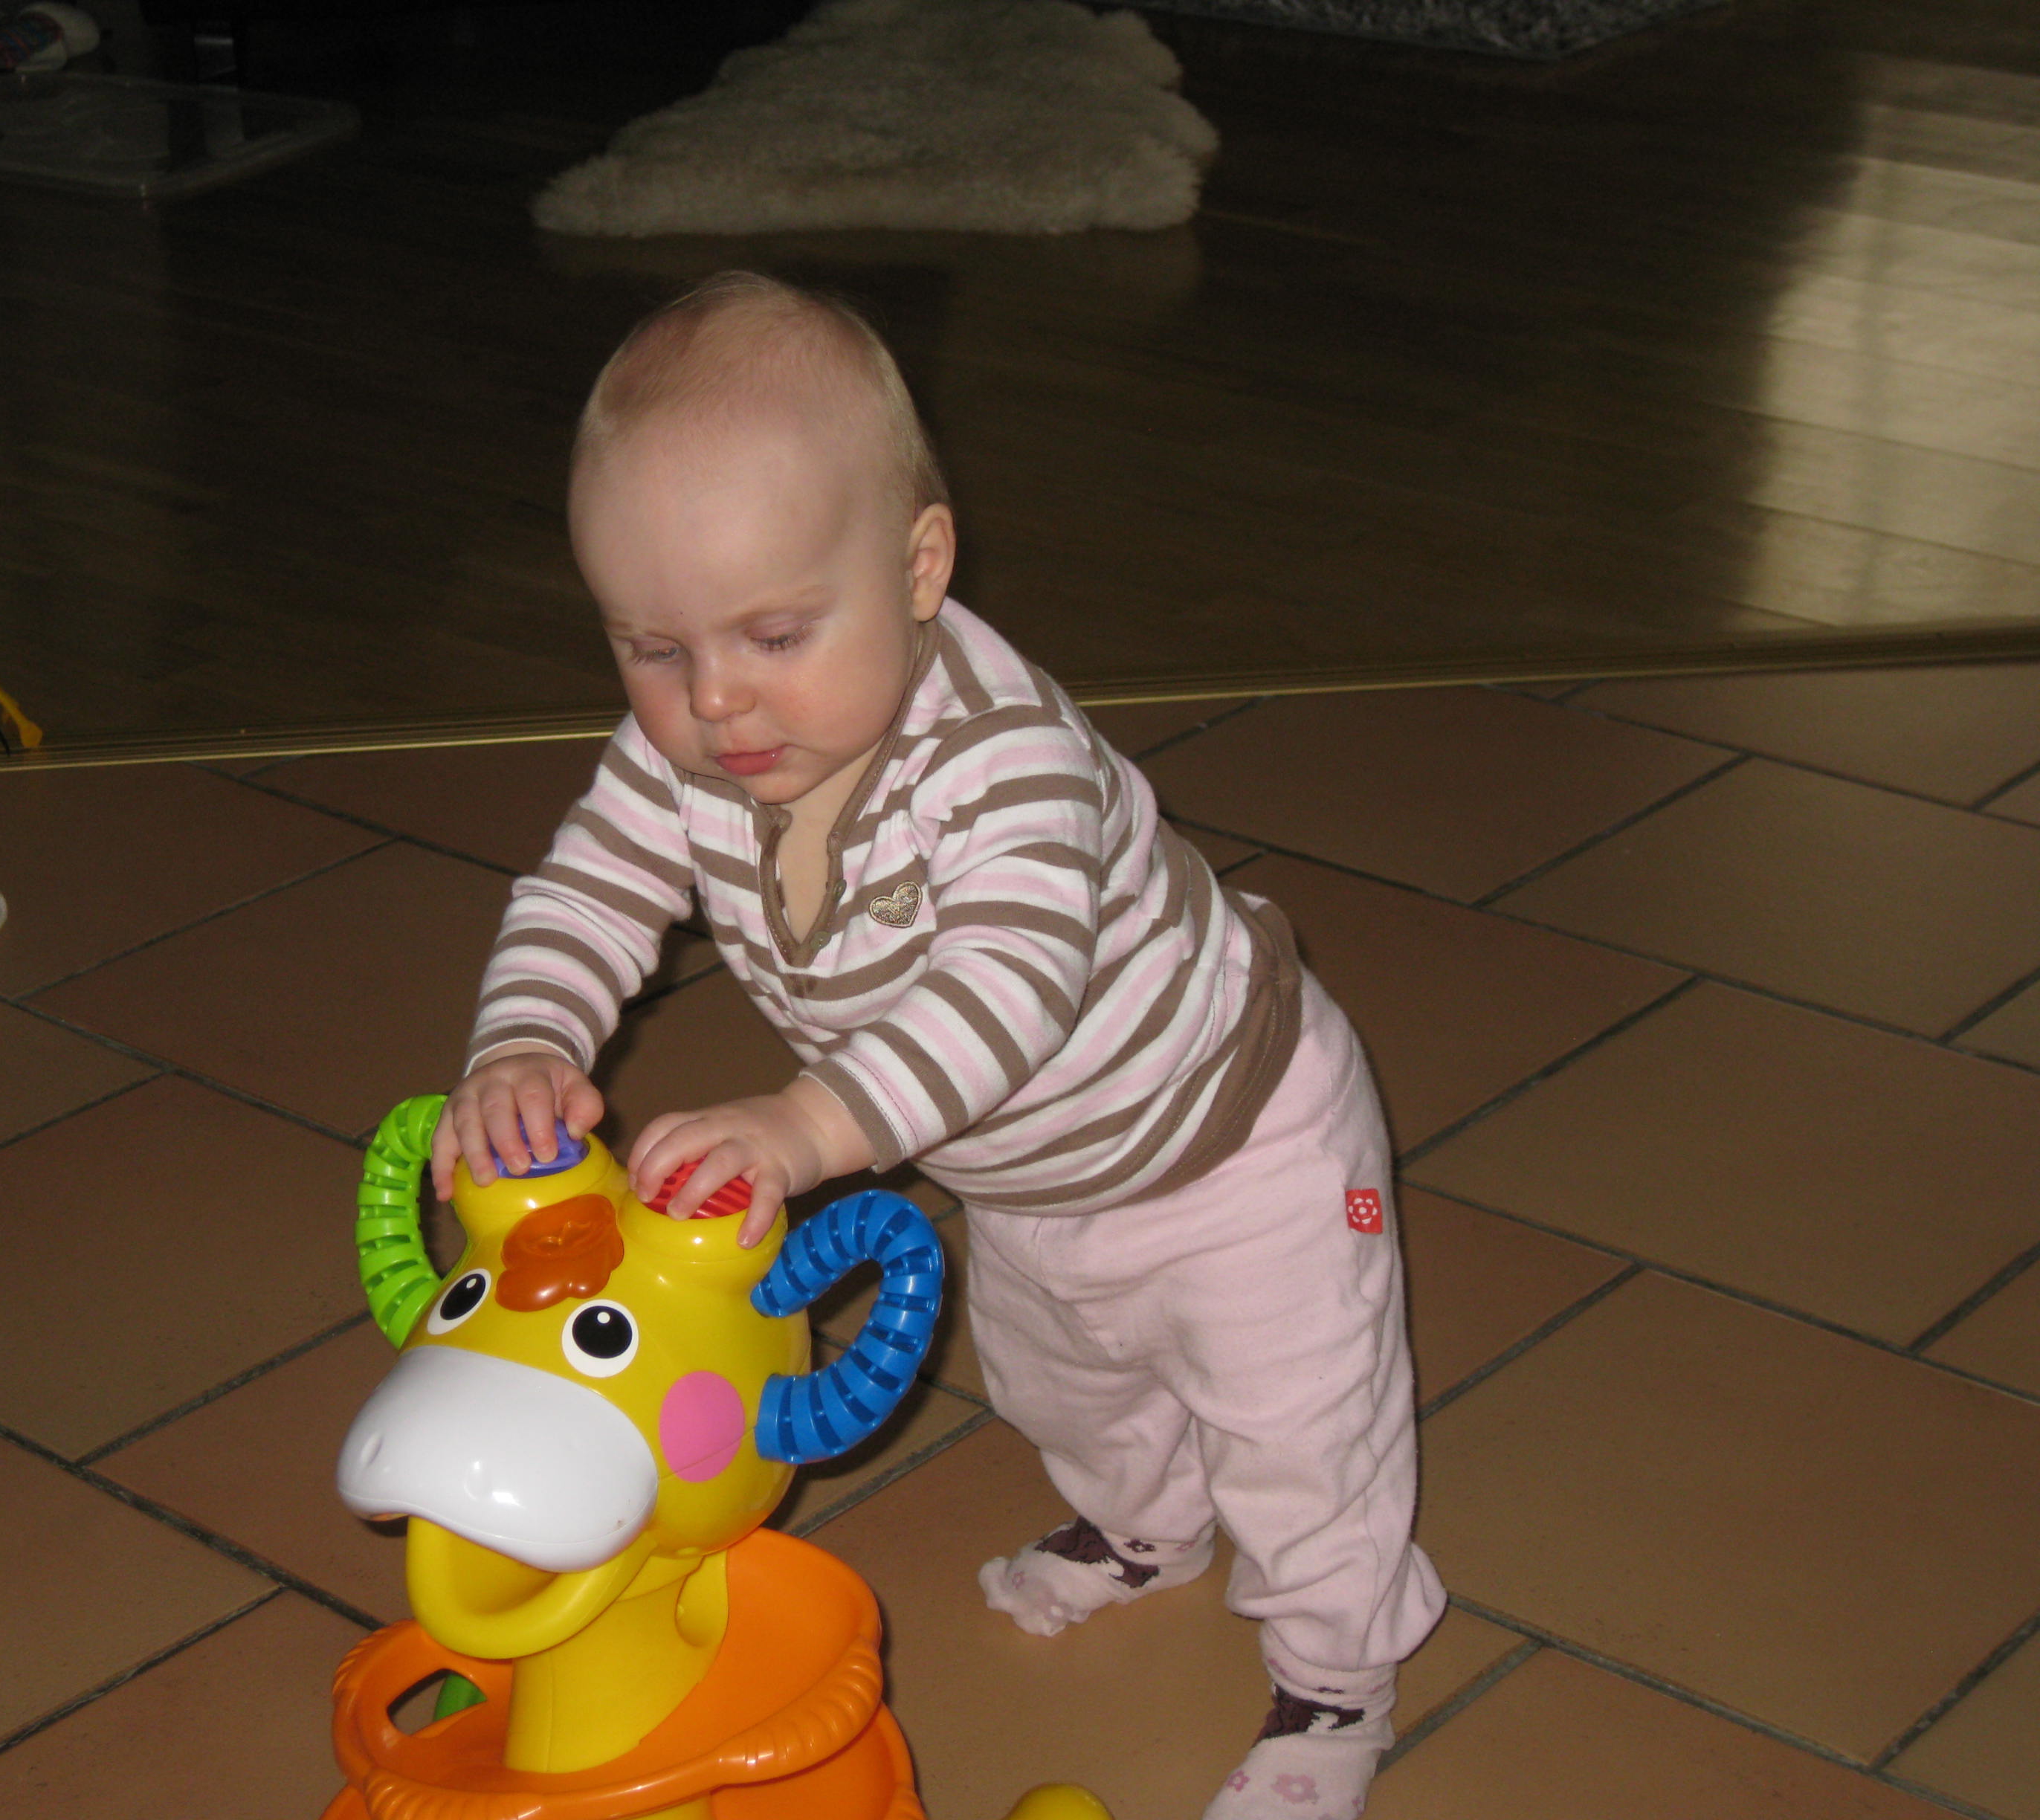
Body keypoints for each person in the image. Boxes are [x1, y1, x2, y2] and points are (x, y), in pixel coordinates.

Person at [431, 271, 1444, 1819]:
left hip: (1241, 1141)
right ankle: (1146, 1529)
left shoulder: (1005, 757)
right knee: (1065, 1386)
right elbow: (585, 891)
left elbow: (1008, 986)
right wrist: (522, 1034)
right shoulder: (691, 752)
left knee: (1300, 1428)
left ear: (920, 567)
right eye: (651, 647)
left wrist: (805, 1128)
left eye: (775, 632)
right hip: (1027, 1168)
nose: (717, 702)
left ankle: (1337, 1684)